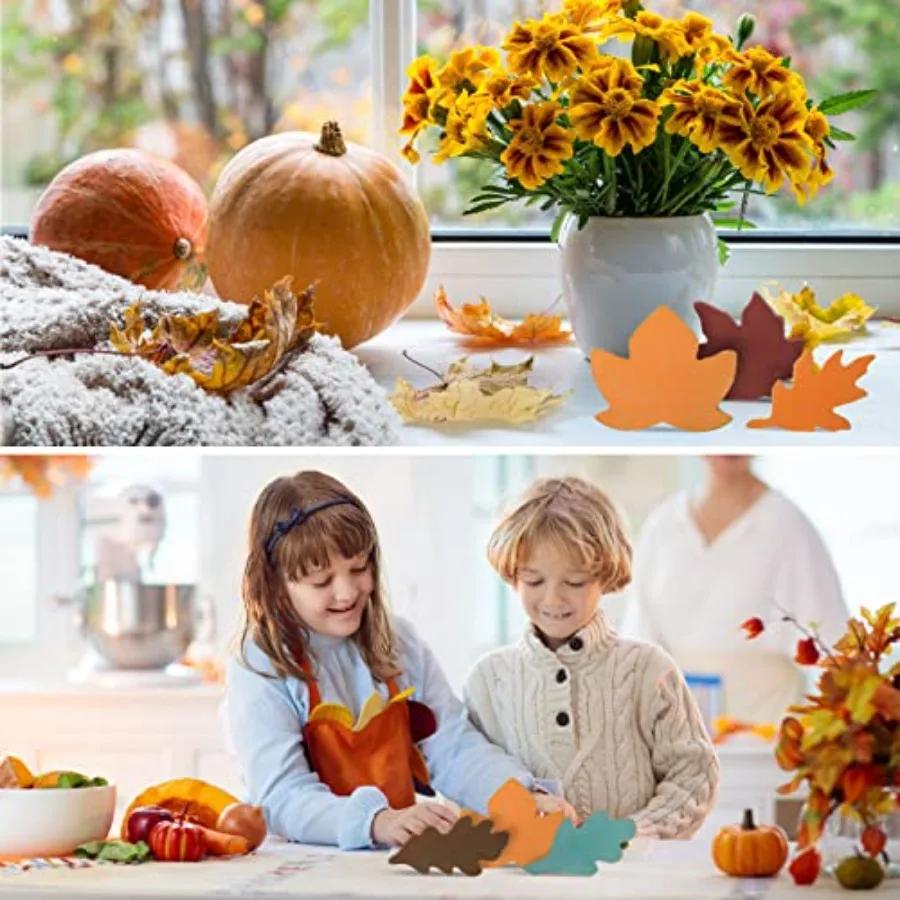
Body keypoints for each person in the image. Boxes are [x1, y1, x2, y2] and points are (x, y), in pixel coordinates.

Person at [225, 470, 569, 851]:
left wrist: (518, 796)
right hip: (306, 862)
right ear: (275, 585)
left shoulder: (399, 642)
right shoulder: (259, 665)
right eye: (322, 581)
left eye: (359, 568)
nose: (347, 592)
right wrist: (376, 821)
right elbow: (281, 796)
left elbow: (452, 745)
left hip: (390, 860)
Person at [463, 476, 719, 838]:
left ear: (605, 576)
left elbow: (694, 774)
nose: (552, 599)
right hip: (523, 870)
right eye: (534, 581)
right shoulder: (487, 680)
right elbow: (468, 782)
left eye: (574, 582)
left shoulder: (649, 669)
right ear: (513, 575)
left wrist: (631, 834)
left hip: (633, 868)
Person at [621, 455, 848, 724]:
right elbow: (638, 641)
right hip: (678, 727)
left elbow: (836, 648)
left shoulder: (788, 526)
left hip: (767, 726)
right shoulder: (664, 525)